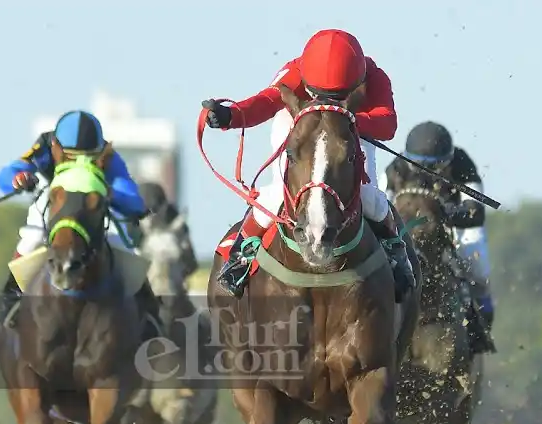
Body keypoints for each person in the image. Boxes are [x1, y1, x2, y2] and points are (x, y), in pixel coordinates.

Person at [201, 28, 415, 301]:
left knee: (370, 198)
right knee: (278, 194)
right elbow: (265, 102)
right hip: (299, 129)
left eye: (337, 96)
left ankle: (396, 253)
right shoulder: (295, 70)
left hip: (348, 135)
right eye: (319, 94)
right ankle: (241, 254)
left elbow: (387, 123)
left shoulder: (375, 77)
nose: (327, 100)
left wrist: (346, 121)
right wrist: (231, 115)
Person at [0, 109, 154, 328]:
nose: (80, 163)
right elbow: (7, 173)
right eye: (71, 157)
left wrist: (106, 192)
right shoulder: (44, 145)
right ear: (56, 148)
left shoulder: (108, 155)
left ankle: (148, 313)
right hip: (54, 202)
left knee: (123, 246)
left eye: (87, 157)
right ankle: (11, 299)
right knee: (31, 239)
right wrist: (18, 179)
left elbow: (133, 200)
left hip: (93, 206)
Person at [381, 121, 496, 349]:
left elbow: (476, 212)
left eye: (433, 169)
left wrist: (445, 214)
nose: (427, 175)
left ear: (447, 161)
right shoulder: (395, 168)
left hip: (454, 225)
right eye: (420, 168)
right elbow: (382, 204)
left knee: (478, 266)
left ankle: (479, 330)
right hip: (407, 227)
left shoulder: (462, 165)